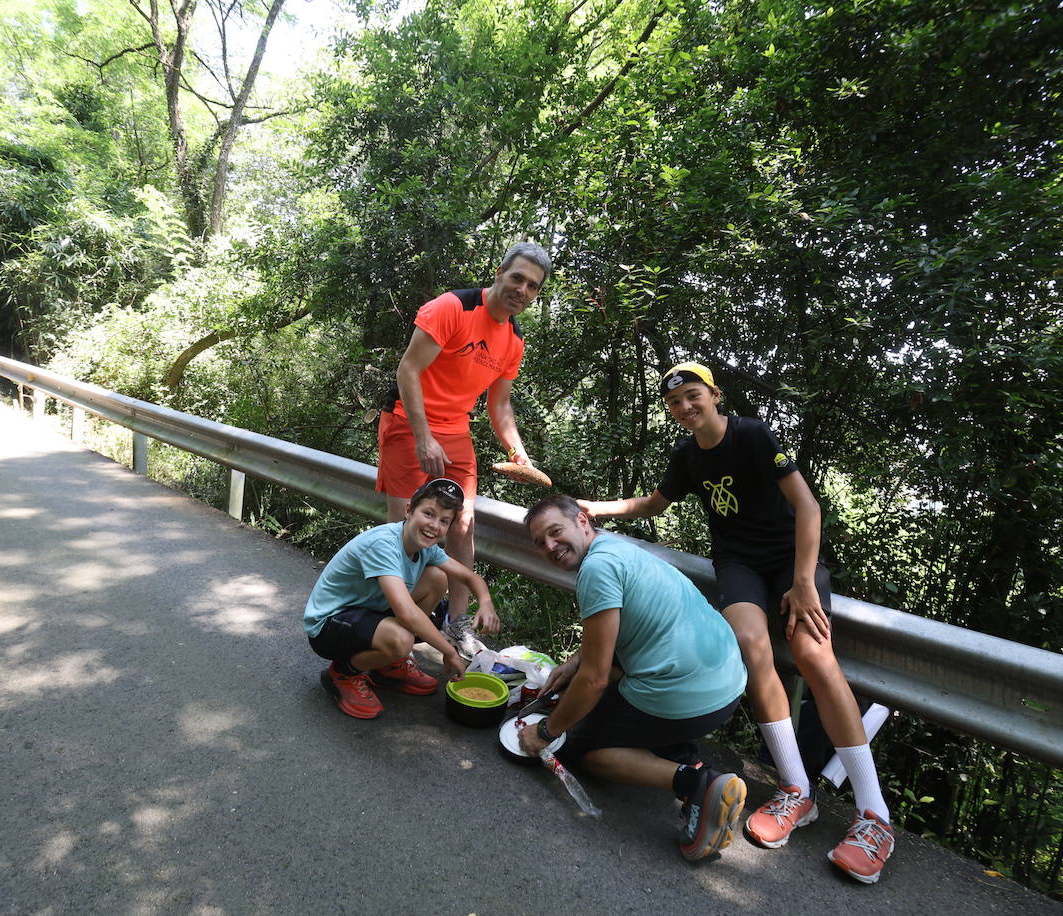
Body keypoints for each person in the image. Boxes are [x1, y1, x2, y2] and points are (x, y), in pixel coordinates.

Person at [576, 362, 895, 884]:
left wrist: (803, 582)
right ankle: (798, 791)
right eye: (675, 402)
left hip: (792, 560)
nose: (685, 407)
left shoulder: (752, 435)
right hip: (739, 565)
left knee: (814, 655)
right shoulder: (686, 457)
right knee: (749, 642)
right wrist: (593, 509)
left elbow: (808, 508)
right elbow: (652, 503)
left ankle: (875, 816)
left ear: (715, 395)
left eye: (692, 396)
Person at [517, 494, 749, 862]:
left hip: (687, 696)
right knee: (599, 702)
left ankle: (697, 785)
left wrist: (546, 732)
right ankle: (678, 752)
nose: (549, 546)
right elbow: (618, 639)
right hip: (728, 687)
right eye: (540, 542)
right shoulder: (616, 549)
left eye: (555, 531)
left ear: (581, 521)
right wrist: (574, 664)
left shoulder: (596, 570)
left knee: (579, 746)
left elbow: (595, 679)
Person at [376, 242, 551, 659]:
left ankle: (455, 623)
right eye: (517, 278)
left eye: (532, 286)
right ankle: (385, 621)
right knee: (406, 528)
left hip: (456, 429)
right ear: (499, 274)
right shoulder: (453, 307)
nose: (522, 290)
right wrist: (422, 436)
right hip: (407, 419)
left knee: (463, 525)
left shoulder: (513, 339)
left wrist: (518, 453)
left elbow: (500, 404)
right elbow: (408, 370)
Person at [303, 478, 499, 719]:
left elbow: (469, 577)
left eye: (444, 521)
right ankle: (343, 672)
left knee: (438, 577)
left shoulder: (427, 548)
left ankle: (386, 666)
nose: (434, 526)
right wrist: (448, 651)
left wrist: (486, 602)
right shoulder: (384, 544)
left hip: (366, 612)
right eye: (428, 513)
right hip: (329, 626)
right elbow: (406, 613)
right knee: (401, 639)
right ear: (408, 510)